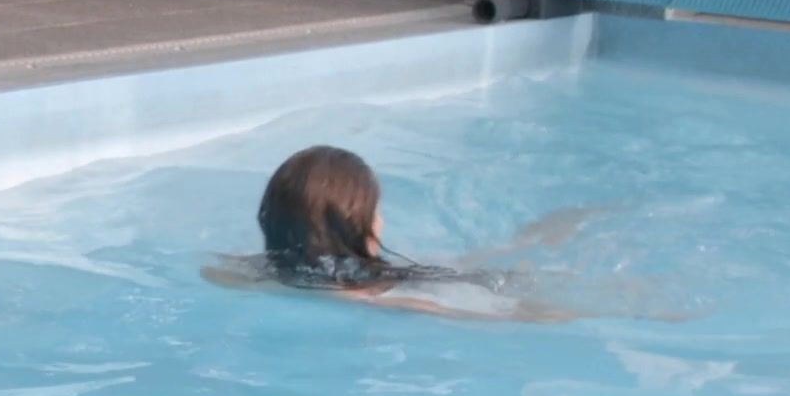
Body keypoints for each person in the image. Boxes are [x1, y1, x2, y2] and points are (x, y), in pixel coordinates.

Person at [204, 145, 608, 322]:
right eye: (375, 213)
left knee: (486, 263)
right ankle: (534, 238)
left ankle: (532, 239)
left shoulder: (247, 275)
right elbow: (528, 316)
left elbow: (215, 272)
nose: (380, 222)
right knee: (486, 263)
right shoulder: (397, 301)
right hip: (419, 280)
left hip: (408, 277)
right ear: (361, 231)